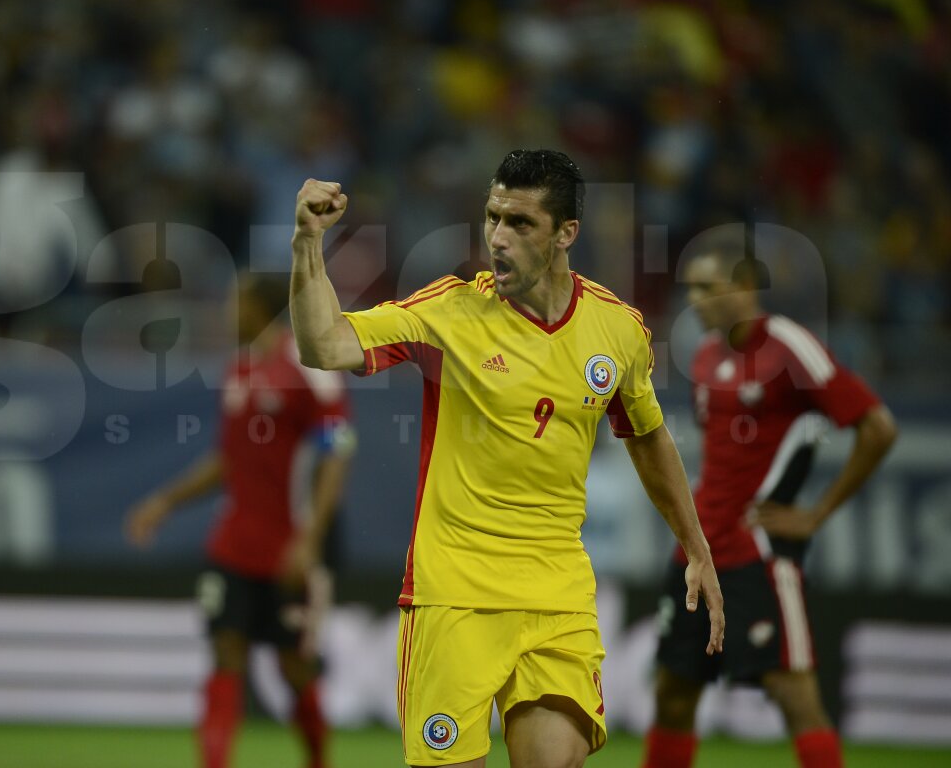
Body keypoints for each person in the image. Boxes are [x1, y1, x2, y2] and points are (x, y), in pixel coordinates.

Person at [289, 149, 725, 768]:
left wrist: (697, 548)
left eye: (520, 224)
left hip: (558, 595)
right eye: (493, 218)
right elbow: (323, 344)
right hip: (454, 596)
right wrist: (307, 242)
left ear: (566, 234)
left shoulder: (619, 330)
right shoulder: (449, 312)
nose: (498, 237)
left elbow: (648, 436)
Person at [640, 236, 898, 768]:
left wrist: (817, 513)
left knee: (793, 693)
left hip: (757, 552)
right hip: (698, 552)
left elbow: (878, 426)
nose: (696, 299)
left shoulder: (788, 346)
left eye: (709, 287)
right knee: (672, 693)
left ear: (746, 286)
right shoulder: (707, 356)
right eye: (690, 288)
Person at [125, 272, 355, 768]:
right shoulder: (239, 369)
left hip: (289, 546)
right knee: (225, 652)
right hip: (233, 543)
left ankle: (318, 761)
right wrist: (164, 501)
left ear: (261, 309)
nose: (228, 312)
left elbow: (338, 451)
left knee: (293, 666)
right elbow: (228, 460)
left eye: (237, 302)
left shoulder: (309, 364)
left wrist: (310, 540)